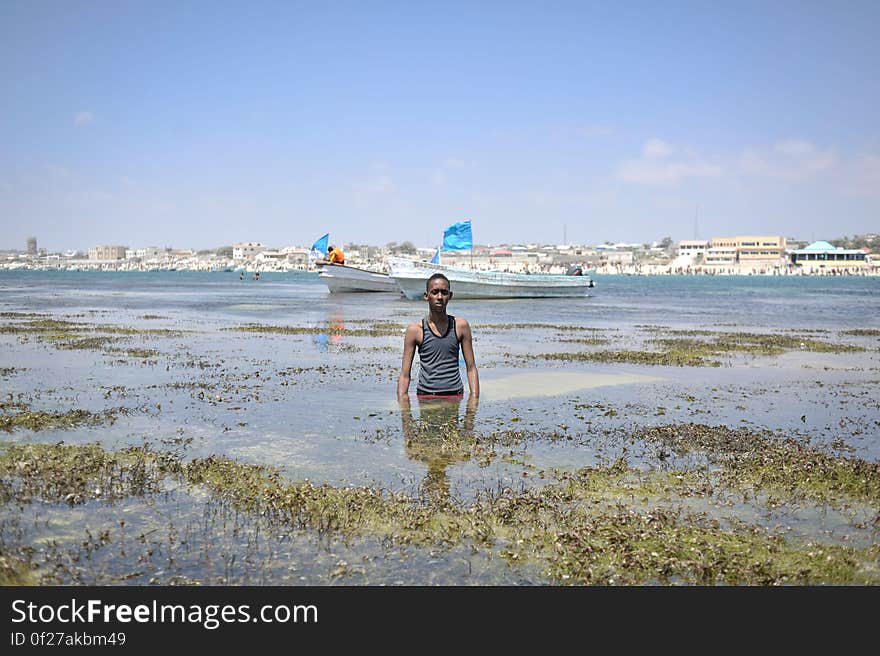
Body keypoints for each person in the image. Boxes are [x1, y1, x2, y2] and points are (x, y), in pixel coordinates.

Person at [397, 273, 479, 400]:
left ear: (450, 296)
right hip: (426, 396)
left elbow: (471, 368)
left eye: (444, 292)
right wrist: (404, 409)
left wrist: (474, 400)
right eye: (435, 292)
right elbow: (404, 374)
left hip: (455, 396)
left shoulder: (460, 326)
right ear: (426, 296)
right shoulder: (415, 330)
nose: (439, 297)